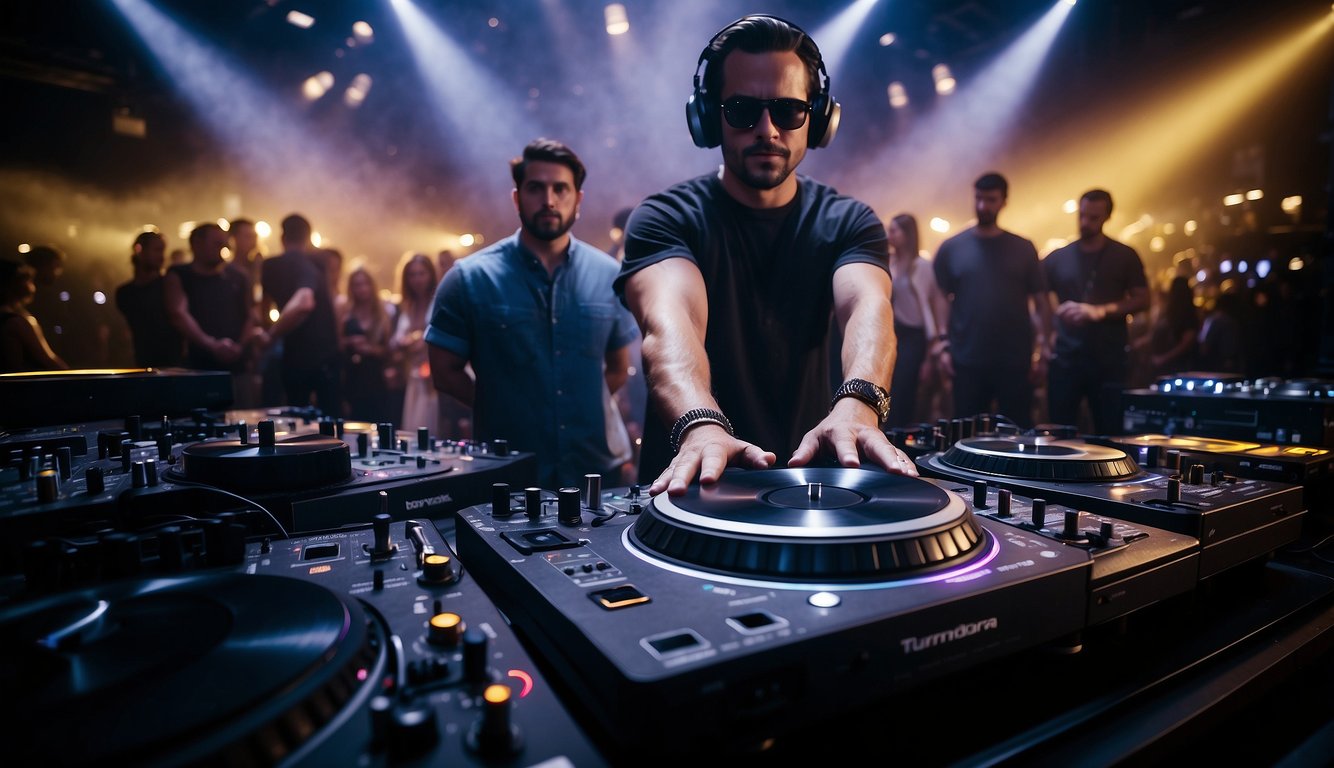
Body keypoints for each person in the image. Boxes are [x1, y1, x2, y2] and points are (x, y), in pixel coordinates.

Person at [615, 15, 916, 496]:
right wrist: (701, 424)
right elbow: (670, 325)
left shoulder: (849, 221)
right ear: (709, 116)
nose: (767, 129)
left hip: (810, 487)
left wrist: (859, 402)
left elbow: (867, 307)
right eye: (742, 110)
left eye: (788, 110)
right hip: (692, 486)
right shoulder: (664, 218)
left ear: (817, 118)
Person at [427, 138, 639, 490]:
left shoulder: (609, 275)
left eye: (561, 189)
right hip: (508, 473)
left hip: (596, 470)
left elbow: (618, 367)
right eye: (536, 188)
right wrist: (504, 406)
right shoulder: (469, 278)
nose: (549, 200)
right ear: (517, 198)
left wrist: (580, 402)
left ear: (578, 200)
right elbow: (444, 372)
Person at [934, 172, 1050, 427]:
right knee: (965, 431)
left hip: (1014, 358)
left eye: (990, 199)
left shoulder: (1023, 247)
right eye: (978, 198)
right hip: (967, 357)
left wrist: (1043, 347)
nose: (982, 206)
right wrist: (942, 343)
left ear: (1004, 201)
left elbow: (1041, 300)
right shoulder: (952, 247)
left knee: (1017, 430)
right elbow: (941, 297)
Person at [1041, 189, 1148, 435]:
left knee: (1109, 434)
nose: (1085, 223)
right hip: (1066, 358)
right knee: (1059, 433)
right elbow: (1039, 300)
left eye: (1093, 218)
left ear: (1106, 217)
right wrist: (1044, 339)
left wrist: (1099, 311)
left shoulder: (1124, 255)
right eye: (1082, 215)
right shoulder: (1057, 258)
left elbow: (1143, 299)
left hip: (1108, 358)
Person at [256, 214, 342, 412]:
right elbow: (305, 302)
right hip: (323, 356)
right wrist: (271, 336)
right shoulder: (315, 262)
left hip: (293, 355)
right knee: (330, 423)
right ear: (308, 237)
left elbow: (265, 305)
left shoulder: (269, 265)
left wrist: (269, 334)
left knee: (296, 422)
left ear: (282, 237)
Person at [163, 223, 254, 395]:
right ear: (196, 244)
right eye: (217, 243)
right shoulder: (179, 274)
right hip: (197, 369)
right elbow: (177, 313)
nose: (223, 248)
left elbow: (251, 316)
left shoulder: (239, 276)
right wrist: (212, 345)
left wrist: (239, 347)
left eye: (224, 243)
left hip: (237, 369)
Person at [885, 213, 950, 428]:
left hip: (915, 334)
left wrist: (935, 345)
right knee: (889, 385)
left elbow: (933, 302)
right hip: (892, 332)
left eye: (894, 230)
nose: (890, 235)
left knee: (905, 389)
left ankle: (900, 436)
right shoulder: (890, 263)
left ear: (907, 234)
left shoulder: (921, 266)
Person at [115, 231, 184, 368]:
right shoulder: (125, 293)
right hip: (143, 364)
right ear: (139, 250)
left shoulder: (169, 286)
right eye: (157, 250)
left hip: (175, 365)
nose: (162, 256)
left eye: (163, 250)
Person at [340, 264, 395, 423]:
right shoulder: (345, 311)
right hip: (352, 377)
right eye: (357, 284)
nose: (362, 289)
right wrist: (350, 342)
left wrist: (369, 349)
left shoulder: (383, 312)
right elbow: (336, 344)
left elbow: (389, 350)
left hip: (376, 377)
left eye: (365, 283)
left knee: (378, 420)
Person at [392, 252, 440, 433]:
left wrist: (423, 341)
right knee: (412, 429)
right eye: (412, 274)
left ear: (430, 274)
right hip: (412, 375)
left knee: (432, 427)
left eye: (422, 273)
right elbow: (395, 340)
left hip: (434, 377)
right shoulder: (405, 305)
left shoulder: (438, 302)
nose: (417, 279)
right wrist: (404, 342)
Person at [0, 259, 68, 372]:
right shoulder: (17, 321)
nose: (32, 286)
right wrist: (73, 379)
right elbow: (48, 360)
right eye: (28, 281)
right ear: (15, 284)